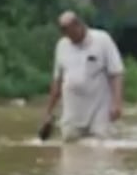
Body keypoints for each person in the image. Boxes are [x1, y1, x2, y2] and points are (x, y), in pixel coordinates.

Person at [42, 10, 125, 142]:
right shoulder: (62, 45)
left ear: (79, 25)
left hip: (99, 107)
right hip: (73, 108)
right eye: (65, 33)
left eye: (71, 33)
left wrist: (117, 103)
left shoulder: (102, 40)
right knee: (69, 143)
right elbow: (57, 80)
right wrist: (48, 111)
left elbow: (116, 73)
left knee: (101, 145)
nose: (70, 37)